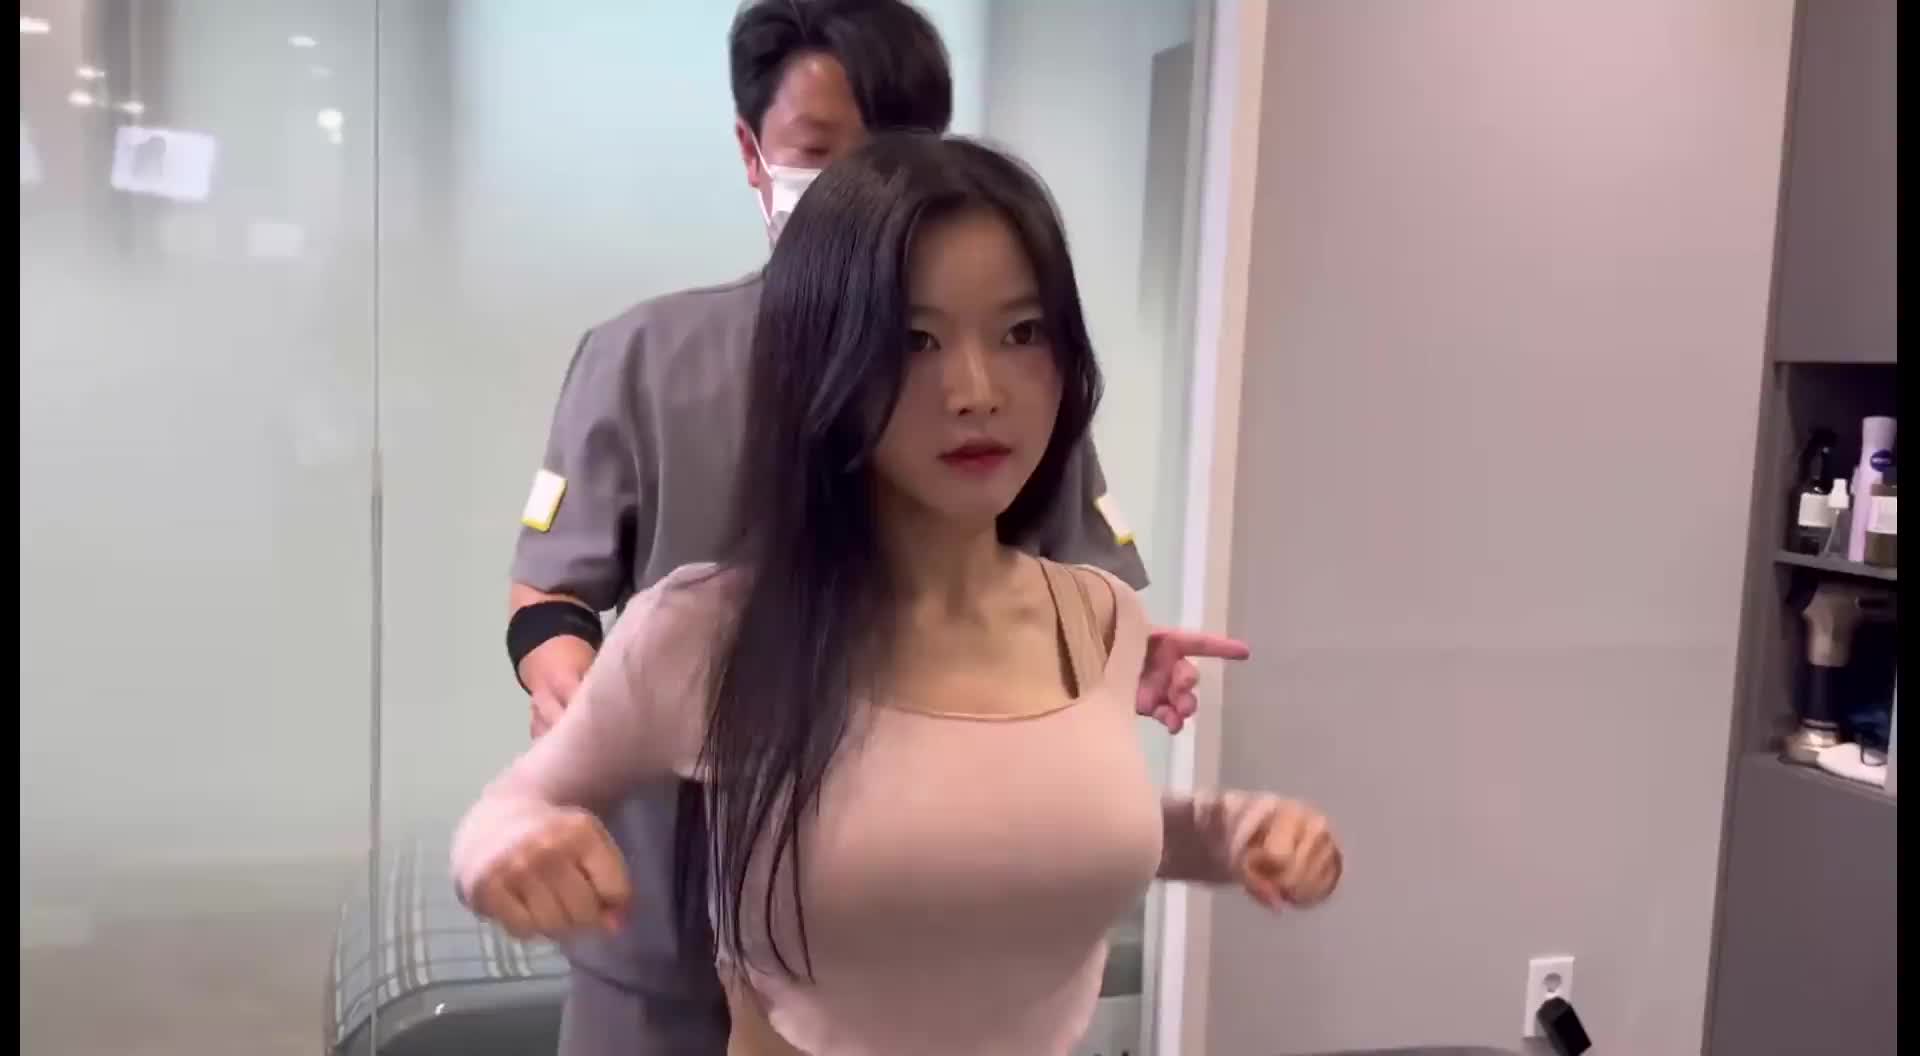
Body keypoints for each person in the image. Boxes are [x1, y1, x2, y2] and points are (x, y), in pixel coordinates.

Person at [461, 133, 1342, 1056]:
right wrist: (506, 852)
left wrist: (1235, 834)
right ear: (825, 363)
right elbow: (509, 809)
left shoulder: (1097, 620)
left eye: (1021, 332)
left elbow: (1017, 831)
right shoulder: (714, 632)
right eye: (915, 341)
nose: (976, 391)